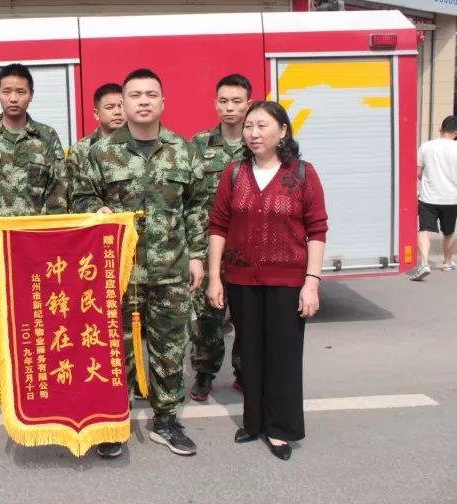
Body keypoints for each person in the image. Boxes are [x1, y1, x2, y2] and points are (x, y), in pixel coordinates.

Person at [72, 68, 209, 458]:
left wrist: (198, 257)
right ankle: (115, 422)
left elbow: (198, 207)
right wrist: (94, 208)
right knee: (116, 351)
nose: (143, 101)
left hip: (171, 270)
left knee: (169, 349)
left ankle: (167, 421)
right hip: (118, 272)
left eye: (151, 94)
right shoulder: (98, 153)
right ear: (124, 103)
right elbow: (79, 197)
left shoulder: (184, 151)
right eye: (135, 95)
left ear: (163, 103)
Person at [206, 100, 328, 461]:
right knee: (250, 353)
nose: (253, 133)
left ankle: (280, 429)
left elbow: (317, 229)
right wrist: (216, 278)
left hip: (288, 280)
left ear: (282, 131)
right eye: (249, 126)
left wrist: (312, 281)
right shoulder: (234, 173)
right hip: (242, 279)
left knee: (283, 356)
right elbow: (218, 226)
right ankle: (254, 422)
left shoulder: (302, 174)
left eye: (262, 126)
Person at [0, 63, 68, 416]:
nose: (13, 98)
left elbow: (58, 192)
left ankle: (34, 379)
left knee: (36, 315)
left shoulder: (47, 137)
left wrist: (52, 242)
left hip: (34, 249)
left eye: (20, 91)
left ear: (31, 95)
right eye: (7, 91)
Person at [188, 74, 251, 402]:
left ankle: (244, 370)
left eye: (237, 101)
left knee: (246, 315)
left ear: (248, 104)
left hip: (249, 249)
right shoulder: (198, 144)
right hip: (209, 244)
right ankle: (205, 371)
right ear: (215, 104)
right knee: (207, 317)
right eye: (224, 101)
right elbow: (190, 198)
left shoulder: (259, 143)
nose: (230, 108)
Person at [407, 115, 457, 280]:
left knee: (425, 230)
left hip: (429, 197)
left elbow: (418, 171)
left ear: (440, 129)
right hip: (452, 198)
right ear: (455, 133)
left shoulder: (426, 146)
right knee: (449, 232)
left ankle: (424, 264)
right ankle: (447, 262)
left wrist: (427, 181)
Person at [65, 82, 124, 199]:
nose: (118, 112)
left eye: (122, 106)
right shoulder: (80, 151)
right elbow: (76, 197)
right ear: (96, 114)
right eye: (110, 107)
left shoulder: (139, 146)